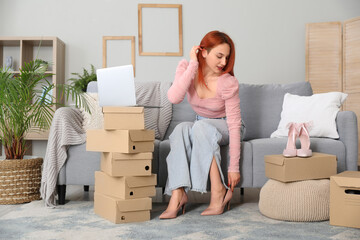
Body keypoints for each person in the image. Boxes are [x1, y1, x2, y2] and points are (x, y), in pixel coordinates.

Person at [159, 31, 243, 219]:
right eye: (219, 56)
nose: (223, 62)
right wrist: (193, 65)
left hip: (225, 127)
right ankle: (178, 194)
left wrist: (234, 167)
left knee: (201, 127)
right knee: (181, 129)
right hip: (201, 126)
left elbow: (235, 124)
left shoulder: (227, 82)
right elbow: (173, 97)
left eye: (226, 57)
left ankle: (219, 191)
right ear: (203, 52)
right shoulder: (187, 69)